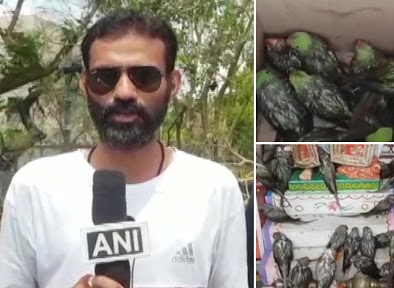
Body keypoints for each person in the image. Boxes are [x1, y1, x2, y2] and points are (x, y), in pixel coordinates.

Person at [0, 9, 248, 288]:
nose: (125, 92)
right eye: (105, 77)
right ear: (85, 85)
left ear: (174, 84)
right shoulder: (34, 188)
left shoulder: (214, 188)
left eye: (145, 76)